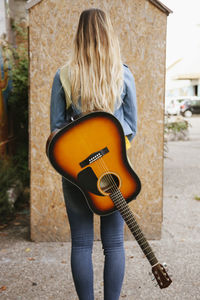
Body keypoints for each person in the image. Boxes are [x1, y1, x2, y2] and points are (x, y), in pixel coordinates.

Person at [50, 8, 137, 300]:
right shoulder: (122, 74)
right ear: (108, 34)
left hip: (77, 173)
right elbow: (131, 129)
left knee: (81, 244)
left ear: (79, 35)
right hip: (115, 172)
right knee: (114, 244)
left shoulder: (63, 76)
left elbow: (55, 133)